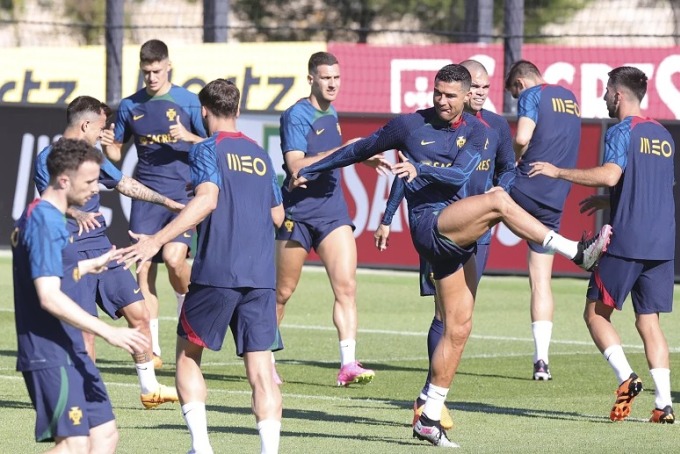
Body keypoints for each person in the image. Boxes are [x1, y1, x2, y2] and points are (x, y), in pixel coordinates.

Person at [291, 63, 612, 447]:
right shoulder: (407, 125)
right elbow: (359, 148)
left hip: (461, 231)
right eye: (437, 93)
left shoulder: (481, 130)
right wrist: (312, 167)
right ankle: (575, 251)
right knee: (496, 201)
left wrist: (424, 168)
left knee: (459, 327)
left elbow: (467, 175)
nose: (442, 100)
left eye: (451, 95)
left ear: (467, 97)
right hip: (430, 226)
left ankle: (429, 414)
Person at [116, 79, 284, 454]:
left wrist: (156, 240)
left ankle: (202, 446)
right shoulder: (260, 153)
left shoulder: (207, 149)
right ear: (238, 111)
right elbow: (278, 215)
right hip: (261, 276)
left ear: (203, 112)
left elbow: (206, 200)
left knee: (187, 355)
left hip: (217, 271)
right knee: (261, 373)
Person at [373, 59, 515, 430]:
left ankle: (431, 401)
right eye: (477, 87)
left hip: (478, 232)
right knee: (443, 314)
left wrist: (503, 192)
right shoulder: (431, 126)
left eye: (485, 87)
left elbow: (509, 168)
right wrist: (388, 218)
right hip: (439, 226)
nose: (481, 93)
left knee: (462, 319)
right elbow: (410, 171)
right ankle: (428, 398)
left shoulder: (496, 127)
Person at [528, 66, 675, 423]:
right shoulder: (664, 135)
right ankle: (664, 404)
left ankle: (627, 377)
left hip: (628, 239)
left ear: (619, 95)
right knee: (649, 321)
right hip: (663, 243)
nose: (604, 97)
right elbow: (653, 188)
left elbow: (610, 174)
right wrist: (610, 202)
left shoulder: (622, 130)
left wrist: (558, 171)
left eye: (607, 90)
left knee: (595, 313)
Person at [34, 96, 180, 409]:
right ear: (85, 124)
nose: (105, 133)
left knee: (139, 315)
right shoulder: (49, 157)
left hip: (103, 247)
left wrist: (166, 202)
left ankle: (149, 388)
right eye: (101, 126)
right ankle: (86, 399)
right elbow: (48, 203)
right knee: (85, 333)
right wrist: (76, 215)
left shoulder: (93, 154)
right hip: (72, 253)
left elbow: (123, 183)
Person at [12, 138, 148, 453]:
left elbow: (53, 272)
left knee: (104, 436)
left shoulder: (50, 218)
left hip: (71, 349)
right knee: (74, 444)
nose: (96, 188)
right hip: (50, 352)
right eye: (89, 181)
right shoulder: (45, 221)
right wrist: (108, 331)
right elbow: (47, 295)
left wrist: (88, 265)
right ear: (63, 180)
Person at [105, 39, 207, 368]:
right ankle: (154, 347)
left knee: (175, 259)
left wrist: (189, 138)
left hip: (182, 194)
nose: (151, 77)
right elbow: (117, 152)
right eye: (146, 71)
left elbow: (213, 143)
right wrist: (109, 146)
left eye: (156, 71)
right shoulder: (129, 105)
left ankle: (187, 312)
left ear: (168, 67)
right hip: (146, 198)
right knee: (143, 268)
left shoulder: (189, 102)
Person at [275, 51, 374, 386]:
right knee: (282, 293)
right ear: (311, 80)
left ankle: (348, 364)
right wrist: (348, 150)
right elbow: (297, 166)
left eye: (337, 77)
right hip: (298, 214)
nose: (333, 83)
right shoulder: (296, 115)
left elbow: (333, 158)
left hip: (332, 212)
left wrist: (362, 157)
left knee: (346, 287)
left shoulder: (331, 113)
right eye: (326, 78)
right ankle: (263, 358)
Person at [504, 60, 581, 381]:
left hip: (527, 181)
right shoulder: (570, 97)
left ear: (521, 83)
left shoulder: (532, 94)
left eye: (514, 93)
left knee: (485, 200)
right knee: (540, 281)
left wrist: (507, 158)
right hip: (555, 195)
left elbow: (522, 137)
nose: (516, 97)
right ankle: (542, 362)